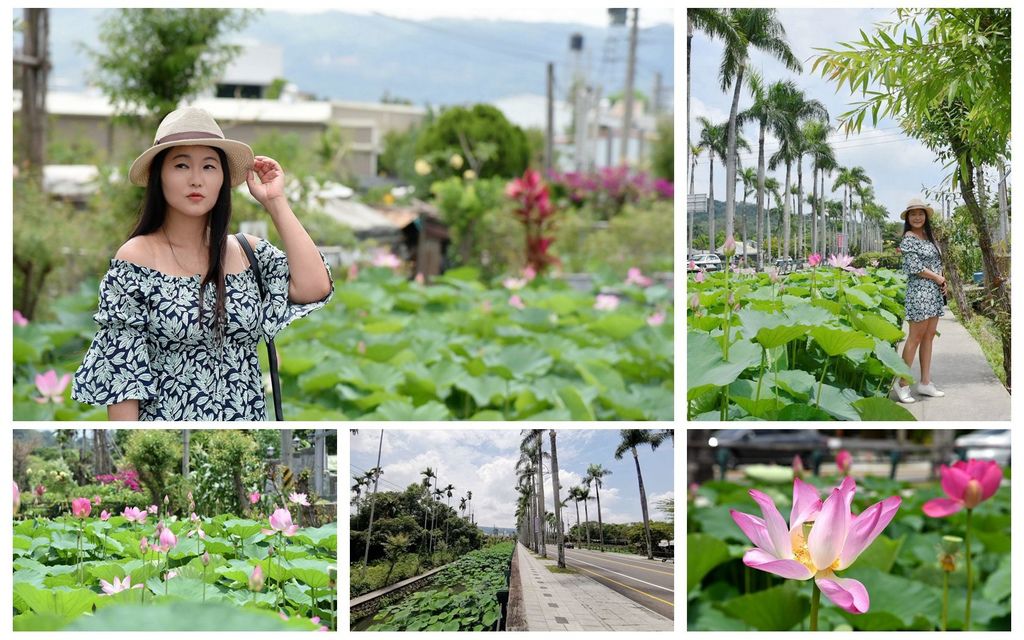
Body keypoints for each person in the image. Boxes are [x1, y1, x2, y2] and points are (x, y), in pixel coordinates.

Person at [72, 106, 333, 420]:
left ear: (223, 178)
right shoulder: (135, 259)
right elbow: (123, 381)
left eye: (209, 167)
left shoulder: (246, 251)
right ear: (159, 176)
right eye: (181, 165)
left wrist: (275, 201)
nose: (196, 179)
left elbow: (315, 287)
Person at [891, 198, 945, 404]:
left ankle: (925, 382)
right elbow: (915, 267)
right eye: (913, 214)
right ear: (908, 218)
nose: (917, 217)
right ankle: (902, 383)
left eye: (920, 213)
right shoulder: (909, 239)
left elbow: (934, 263)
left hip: (933, 292)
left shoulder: (928, 237)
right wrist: (937, 277)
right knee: (914, 338)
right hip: (919, 292)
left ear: (925, 216)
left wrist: (942, 280)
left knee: (929, 337)